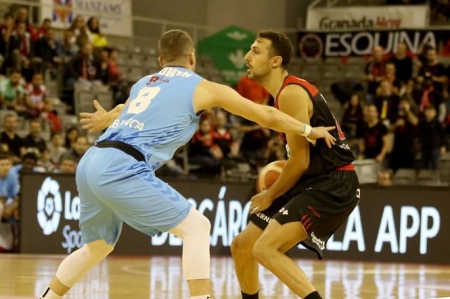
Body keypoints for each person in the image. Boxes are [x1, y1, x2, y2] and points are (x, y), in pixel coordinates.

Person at [38, 29, 336, 299]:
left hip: (92, 161)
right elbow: (266, 116)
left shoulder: (144, 83)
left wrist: (110, 117)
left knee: (98, 246)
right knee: (198, 226)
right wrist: (309, 130)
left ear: (160, 60)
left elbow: (129, 109)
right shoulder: (203, 87)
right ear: (192, 57)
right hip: (122, 165)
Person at [230, 31, 360, 299]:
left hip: (333, 181)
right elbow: (299, 160)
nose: (247, 56)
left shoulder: (290, 93)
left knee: (264, 249)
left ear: (275, 61)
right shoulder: (283, 94)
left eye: (256, 51)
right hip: (312, 179)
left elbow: (300, 162)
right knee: (243, 246)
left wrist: (269, 194)